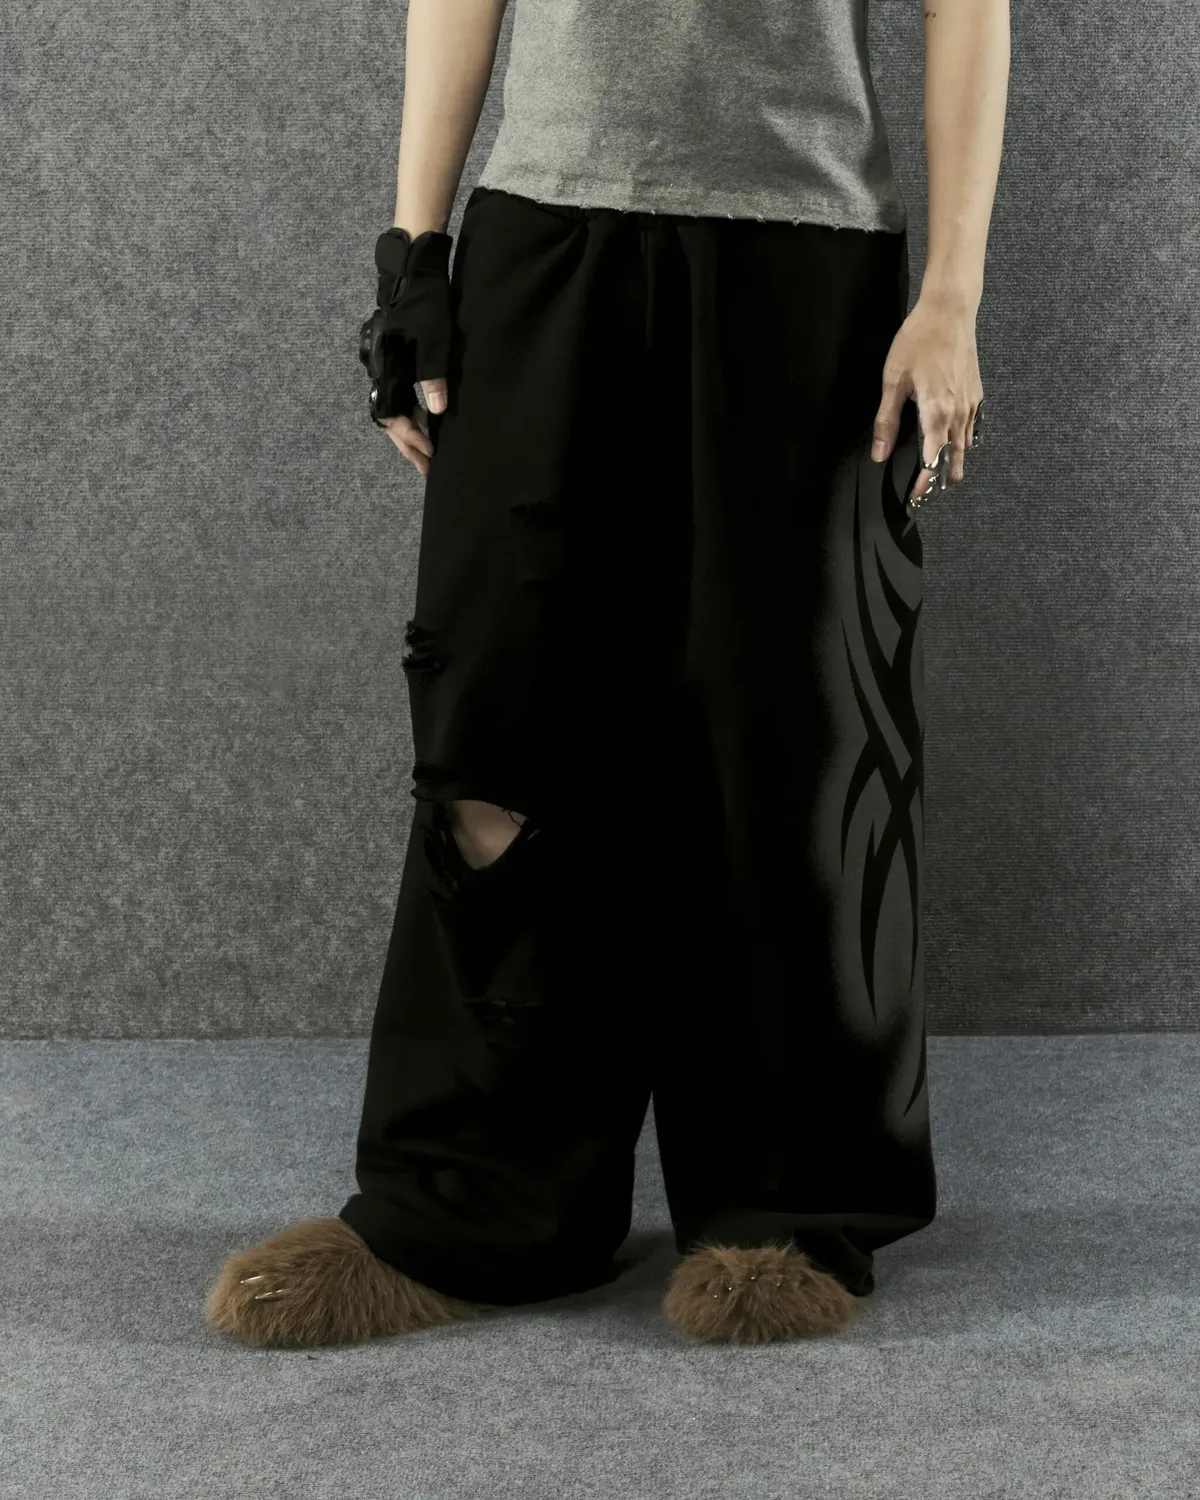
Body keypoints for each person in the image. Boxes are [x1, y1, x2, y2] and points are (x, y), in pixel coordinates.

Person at [206, 0, 1008, 1348]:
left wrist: (952, 296)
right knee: (496, 724)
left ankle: (783, 1203)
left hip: (803, 255)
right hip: (544, 236)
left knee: (790, 743)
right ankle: (474, 1199)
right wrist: (414, 255)